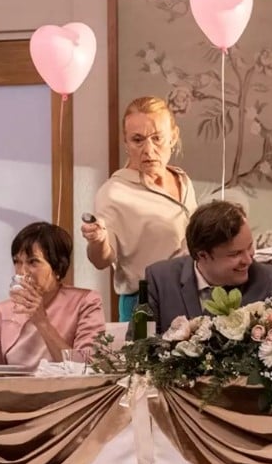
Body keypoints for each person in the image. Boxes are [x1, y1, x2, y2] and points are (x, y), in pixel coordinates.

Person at [81, 96, 198, 321]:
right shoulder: (114, 192)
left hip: (189, 294)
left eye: (157, 138)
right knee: (145, 356)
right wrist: (97, 240)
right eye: (138, 140)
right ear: (126, 143)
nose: (149, 149)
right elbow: (101, 260)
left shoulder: (182, 180)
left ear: (173, 136)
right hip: (144, 301)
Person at [145, 200, 272, 331]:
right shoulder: (158, 280)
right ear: (202, 255)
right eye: (235, 254)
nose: (248, 260)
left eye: (249, 247)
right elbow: (139, 348)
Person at [0, 222, 105, 369]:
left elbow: (87, 368)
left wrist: (42, 322)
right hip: (16, 391)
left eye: (33, 262)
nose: (22, 272)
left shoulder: (86, 302)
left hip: (69, 391)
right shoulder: (2, 311)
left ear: (57, 267)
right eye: (17, 262)